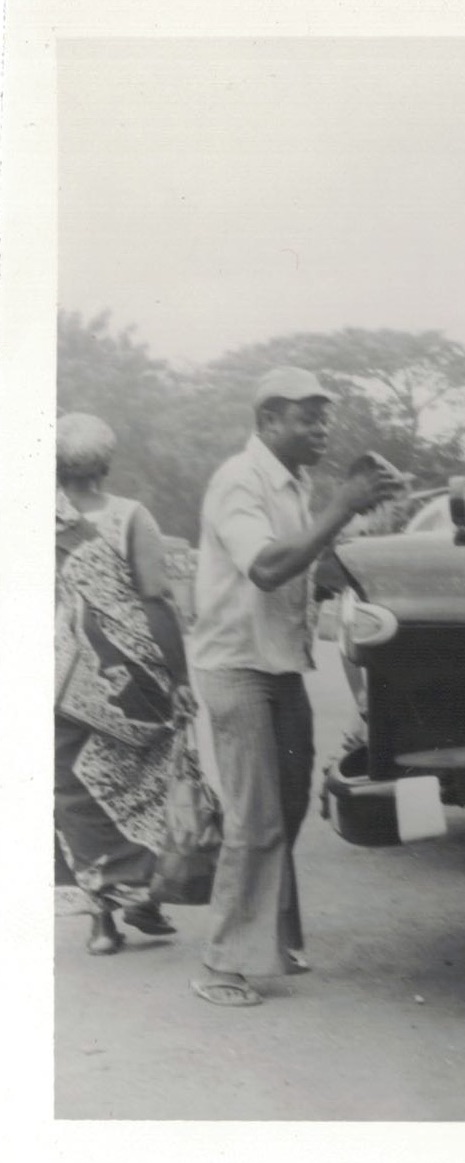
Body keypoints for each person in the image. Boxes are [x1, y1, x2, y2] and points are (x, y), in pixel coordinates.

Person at [189, 366, 402, 1006]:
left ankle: (268, 944)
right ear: (267, 421)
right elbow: (267, 566)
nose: (322, 428)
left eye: (325, 416)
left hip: (278, 665)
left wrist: (364, 523)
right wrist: (343, 505)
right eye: (308, 417)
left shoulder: (296, 484)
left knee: (283, 808)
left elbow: (313, 566)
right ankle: (223, 964)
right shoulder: (239, 480)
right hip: (237, 666)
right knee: (255, 817)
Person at [54, 413, 193, 954]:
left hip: (62, 680)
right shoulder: (132, 516)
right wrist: (180, 677)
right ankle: (144, 895)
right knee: (144, 785)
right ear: (107, 464)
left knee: (77, 792)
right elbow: (156, 599)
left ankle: (103, 920)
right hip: (132, 678)